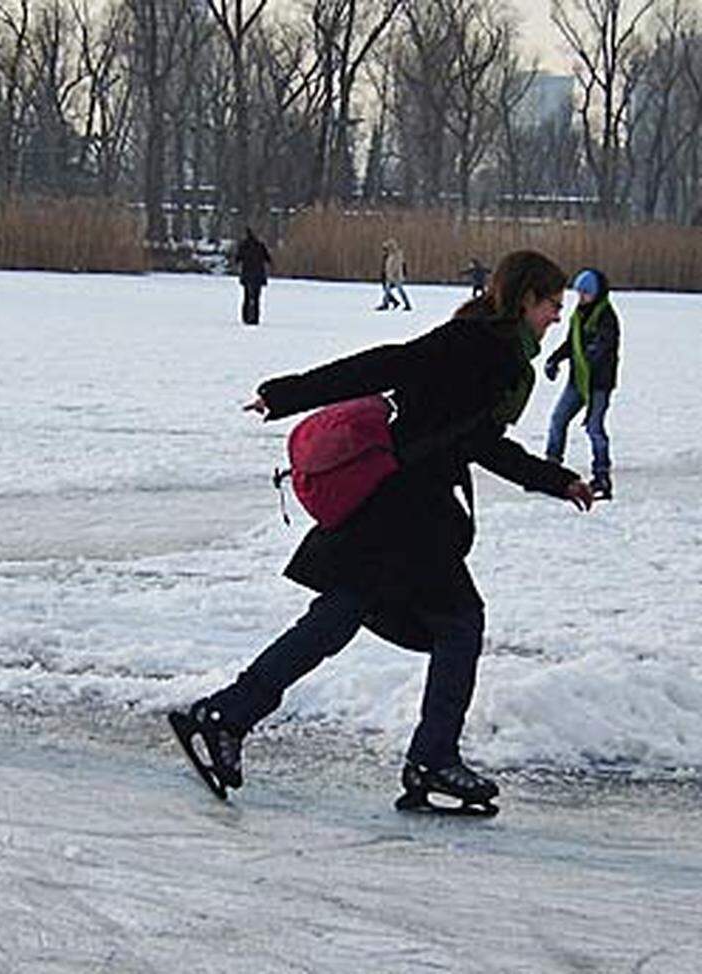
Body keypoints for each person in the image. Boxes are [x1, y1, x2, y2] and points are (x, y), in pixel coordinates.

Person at [170, 250, 594, 810]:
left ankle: (227, 714)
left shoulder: (496, 351)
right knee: (459, 622)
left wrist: (555, 480)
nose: (556, 317)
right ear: (524, 300)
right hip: (406, 512)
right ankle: (431, 759)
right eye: (551, 305)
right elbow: (385, 364)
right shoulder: (474, 345)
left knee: (341, 614)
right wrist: (287, 393)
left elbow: (477, 440)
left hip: (397, 509)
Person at [543, 268, 620, 500]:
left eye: (586, 293)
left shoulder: (606, 316)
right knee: (558, 419)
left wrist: (591, 353)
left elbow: (605, 345)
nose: (581, 297)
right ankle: (551, 468)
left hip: (599, 384)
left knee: (595, 428)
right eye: (579, 293)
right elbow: (571, 342)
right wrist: (555, 358)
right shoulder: (579, 313)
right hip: (578, 380)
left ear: (596, 293)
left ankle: (602, 476)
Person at [233, 227, 272, 325]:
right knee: (257, 298)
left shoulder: (243, 246)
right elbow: (268, 259)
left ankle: (246, 318)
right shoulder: (260, 246)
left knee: (246, 297)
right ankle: (255, 318)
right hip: (258, 275)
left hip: (247, 275)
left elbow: (237, 259)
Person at [376, 237, 411, 311]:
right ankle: (386, 304)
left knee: (399, 290)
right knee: (387, 290)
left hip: (396, 277)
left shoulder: (396, 255)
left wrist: (392, 275)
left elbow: (396, 266)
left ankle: (407, 305)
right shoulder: (389, 255)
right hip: (390, 276)